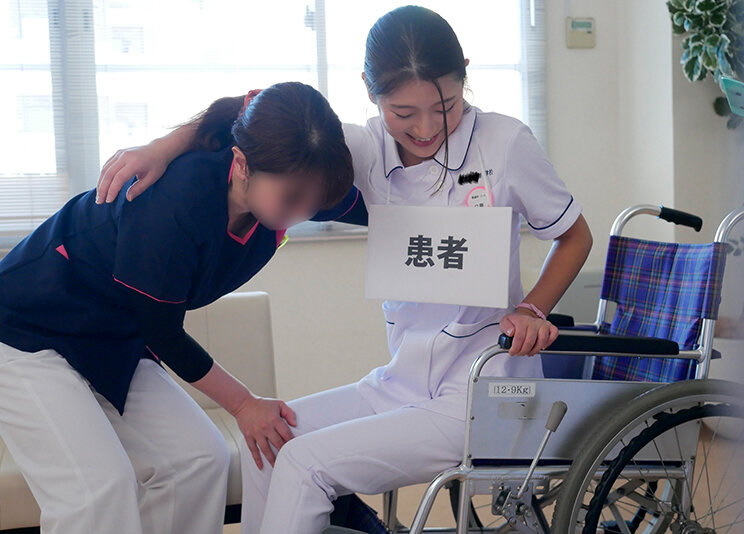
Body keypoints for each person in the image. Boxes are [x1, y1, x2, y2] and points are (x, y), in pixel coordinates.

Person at [96, 6, 593, 533]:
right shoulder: (363, 148)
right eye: (404, 113)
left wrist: (533, 306)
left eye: (444, 106)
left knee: (306, 465)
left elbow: (574, 235)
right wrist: (166, 145)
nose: (425, 128)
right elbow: (259, 113)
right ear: (370, 91)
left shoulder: (505, 143)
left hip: (482, 390)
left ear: (465, 74)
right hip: (403, 381)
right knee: (268, 440)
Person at [0, 82, 366, 534]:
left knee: (199, 459)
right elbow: (163, 332)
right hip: (25, 331)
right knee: (98, 489)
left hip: (113, 337)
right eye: (293, 199)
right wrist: (245, 404)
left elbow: (373, 203)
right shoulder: (173, 202)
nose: (303, 212)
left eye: (315, 203)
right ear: (241, 164)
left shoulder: (288, 177)